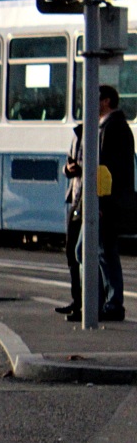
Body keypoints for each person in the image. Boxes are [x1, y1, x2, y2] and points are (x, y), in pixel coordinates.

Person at [96, 85, 131, 322]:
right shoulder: (113, 126)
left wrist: (100, 200)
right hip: (110, 199)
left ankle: (112, 302)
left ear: (106, 101)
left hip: (108, 201)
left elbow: (107, 169)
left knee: (103, 250)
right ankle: (102, 301)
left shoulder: (112, 128)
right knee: (101, 250)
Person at [58, 123, 84, 319]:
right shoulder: (79, 133)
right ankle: (78, 301)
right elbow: (68, 165)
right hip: (76, 199)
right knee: (72, 252)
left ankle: (86, 303)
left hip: (88, 200)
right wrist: (68, 168)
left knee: (82, 253)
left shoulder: (101, 130)